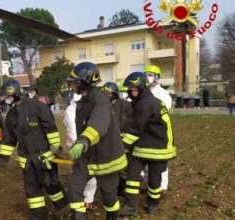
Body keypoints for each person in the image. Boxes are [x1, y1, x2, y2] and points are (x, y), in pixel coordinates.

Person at [0, 79, 68, 220]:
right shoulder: (11, 114)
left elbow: (51, 127)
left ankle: (63, 207)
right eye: (4, 96)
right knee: (31, 188)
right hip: (27, 160)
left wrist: (55, 147)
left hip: (44, 157)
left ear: (17, 93)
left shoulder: (37, 107)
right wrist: (3, 157)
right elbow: (9, 137)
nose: (6, 99)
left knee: (50, 185)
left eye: (7, 96)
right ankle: (38, 215)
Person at [66, 62, 127, 220]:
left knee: (109, 197)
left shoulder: (100, 100)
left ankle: (112, 217)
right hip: (87, 159)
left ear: (83, 81)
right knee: (74, 191)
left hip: (106, 158)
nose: (71, 85)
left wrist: (83, 141)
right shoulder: (83, 102)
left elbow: (98, 123)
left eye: (74, 82)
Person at [119, 72, 176, 216]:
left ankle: (153, 204)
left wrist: (121, 147)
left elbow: (135, 129)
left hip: (157, 147)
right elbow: (134, 127)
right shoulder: (144, 101)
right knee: (132, 175)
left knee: (154, 180)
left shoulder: (146, 104)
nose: (129, 92)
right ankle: (131, 206)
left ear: (141, 87)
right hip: (147, 143)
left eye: (132, 88)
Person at [63, 92, 98, 210]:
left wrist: (81, 144)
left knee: (85, 172)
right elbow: (72, 130)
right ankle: (86, 199)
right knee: (85, 172)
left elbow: (72, 130)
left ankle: (86, 199)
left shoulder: (82, 108)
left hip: (84, 145)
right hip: (81, 145)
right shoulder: (72, 110)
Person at [144, 65, 172, 193]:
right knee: (145, 159)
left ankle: (162, 186)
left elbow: (162, 113)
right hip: (145, 131)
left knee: (160, 161)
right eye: (146, 74)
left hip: (159, 131)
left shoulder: (163, 94)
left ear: (157, 77)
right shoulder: (144, 92)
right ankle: (148, 184)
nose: (147, 77)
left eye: (150, 75)